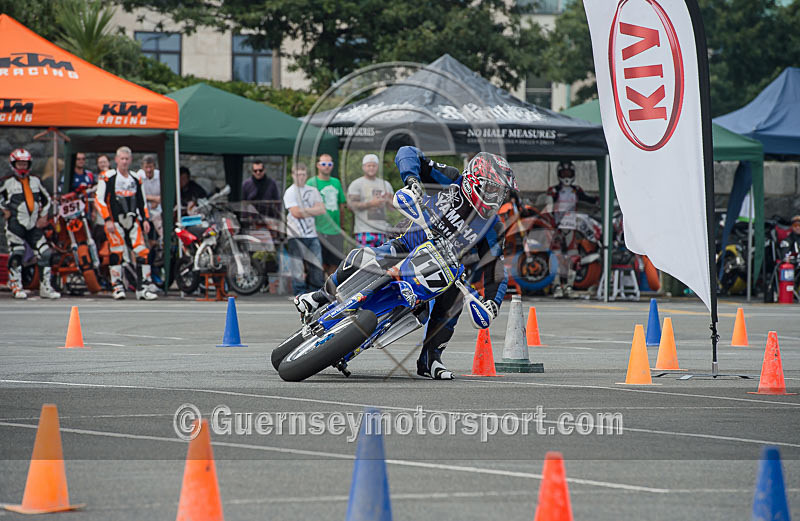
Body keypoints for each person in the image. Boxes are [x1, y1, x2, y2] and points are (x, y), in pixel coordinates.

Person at [295, 146, 515, 380]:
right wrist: (412, 180)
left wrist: (493, 302)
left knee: (453, 303)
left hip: (444, 271)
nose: (495, 198)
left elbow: (495, 269)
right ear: (473, 180)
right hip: (406, 244)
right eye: (491, 190)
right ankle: (319, 297)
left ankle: (431, 359)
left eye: (500, 193)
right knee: (360, 258)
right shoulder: (451, 179)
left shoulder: (493, 226)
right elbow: (408, 152)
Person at [95, 146, 157, 300]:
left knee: (143, 251)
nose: (124, 162)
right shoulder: (107, 176)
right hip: (115, 221)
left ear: (130, 160)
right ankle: (117, 286)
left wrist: (145, 220)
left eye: (126, 159)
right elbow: (99, 199)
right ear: (116, 160)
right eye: (121, 159)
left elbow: (142, 202)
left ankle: (143, 287)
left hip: (133, 221)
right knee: (117, 252)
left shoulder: (136, 178)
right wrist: (107, 219)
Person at [0, 148, 61, 299]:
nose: (22, 167)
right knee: (17, 253)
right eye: (19, 164)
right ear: (14, 164)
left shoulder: (35, 181)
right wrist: (4, 209)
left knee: (45, 253)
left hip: (33, 225)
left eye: (25, 164)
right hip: (15, 224)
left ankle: (45, 287)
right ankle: (15, 284)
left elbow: (47, 199)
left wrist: (44, 215)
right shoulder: (7, 182)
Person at [544, 160, 598, 298]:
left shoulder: (576, 190)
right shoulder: (553, 190)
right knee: (556, 257)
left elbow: (589, 199)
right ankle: (556, 286)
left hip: (572, 228)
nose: (566, 175)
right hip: (557, 228)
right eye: (564, 173)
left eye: (569, 173)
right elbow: (548, 209)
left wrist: (600, 198)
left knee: (573, 257)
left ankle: (568, 286)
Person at [283, 163, 326, 295]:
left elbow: (322, 209)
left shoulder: (312, 191)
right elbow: (296, 213)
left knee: (316, 264)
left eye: (303, 174)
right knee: (297, 266)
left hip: (311, 234)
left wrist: (304, 210)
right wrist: (311, 210)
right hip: (295, 234)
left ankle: (316, 292)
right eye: (298, 174)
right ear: (293, 175)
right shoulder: (290, 192)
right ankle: (299, 293)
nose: (301, 177)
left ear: (306, 175)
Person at [307, 154, 346, 275]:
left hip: (335, 230)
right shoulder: (311, 182)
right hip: (318, 230)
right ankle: (319, 289)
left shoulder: (336, 182)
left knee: (335, 263)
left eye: (329, 164)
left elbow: (341, 205)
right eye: (323, 164)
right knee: (320, 262)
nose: (326, 167)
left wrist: (341, 227)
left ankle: (330, 289)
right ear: (318, 165)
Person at [347, 154, 395, 247]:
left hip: (383, 230)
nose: (371, 168)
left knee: (383, 260)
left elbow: (393, 208)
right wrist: (371, 204)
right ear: (363, 167)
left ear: (378, 167)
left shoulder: (386, 184)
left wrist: (388, 200)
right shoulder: (357, 184)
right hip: (364, 230)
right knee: (366, 259)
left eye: (374, 165)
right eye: (369, 165)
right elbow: (351, 206)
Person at [137, 155, 163, 242]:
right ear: (142, 168)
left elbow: (165, 193)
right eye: (146, 167)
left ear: (154, 167)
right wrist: (153, 199)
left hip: (158, 211)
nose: (148, 170)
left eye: (150, 167)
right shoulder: (138, 176)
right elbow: (138, 195)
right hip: (143, 211)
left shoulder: (160, 176)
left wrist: (157, 200)